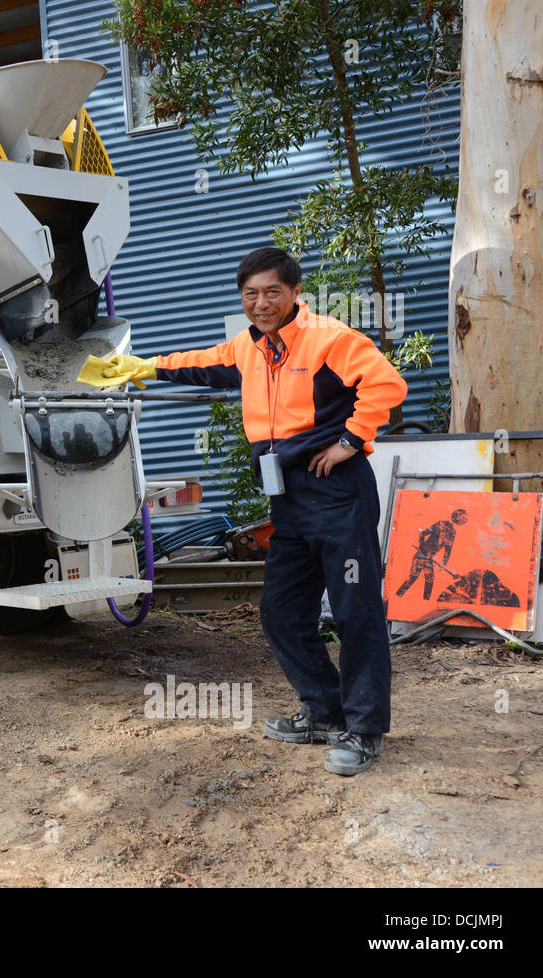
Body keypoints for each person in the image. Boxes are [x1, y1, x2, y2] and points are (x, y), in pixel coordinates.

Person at [83, 248, 408, 775]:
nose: (261, 303)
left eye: (272, 292)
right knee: (280, 611)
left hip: (337, 492)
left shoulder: (330, 338)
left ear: (295, 293)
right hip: (289, 502)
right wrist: (142, 367)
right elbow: (202, 362)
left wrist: (350, 440)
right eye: (250, 294)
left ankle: (365, 730)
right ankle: (323, 712)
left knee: (355, 612)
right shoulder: (249, 347)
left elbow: (387, 385)